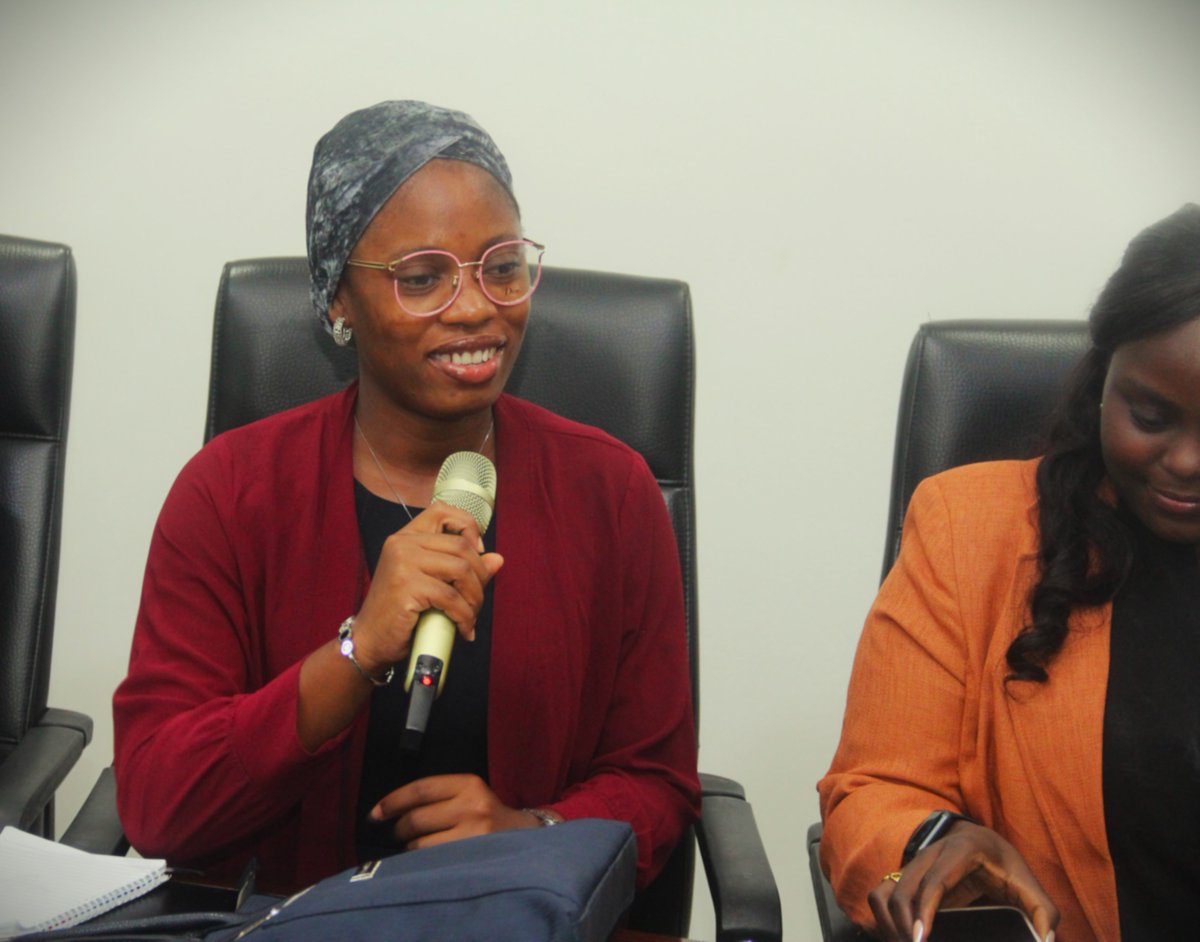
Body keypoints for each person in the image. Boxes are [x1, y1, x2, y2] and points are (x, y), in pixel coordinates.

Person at [113, 100, 700, 894]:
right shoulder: (228, 493)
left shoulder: (613, 493)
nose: (476, 307)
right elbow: (158, 804)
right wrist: (354, 654)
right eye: (422, 278)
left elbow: (657, 782)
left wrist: (534, 835)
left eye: (501, 267)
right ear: (337, 301)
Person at [817, 204, 1200, 942]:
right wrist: (930, 847)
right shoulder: (971, 529)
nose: (1186, 461)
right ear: (1102, 383)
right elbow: (872, 796)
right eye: (1151, 417)